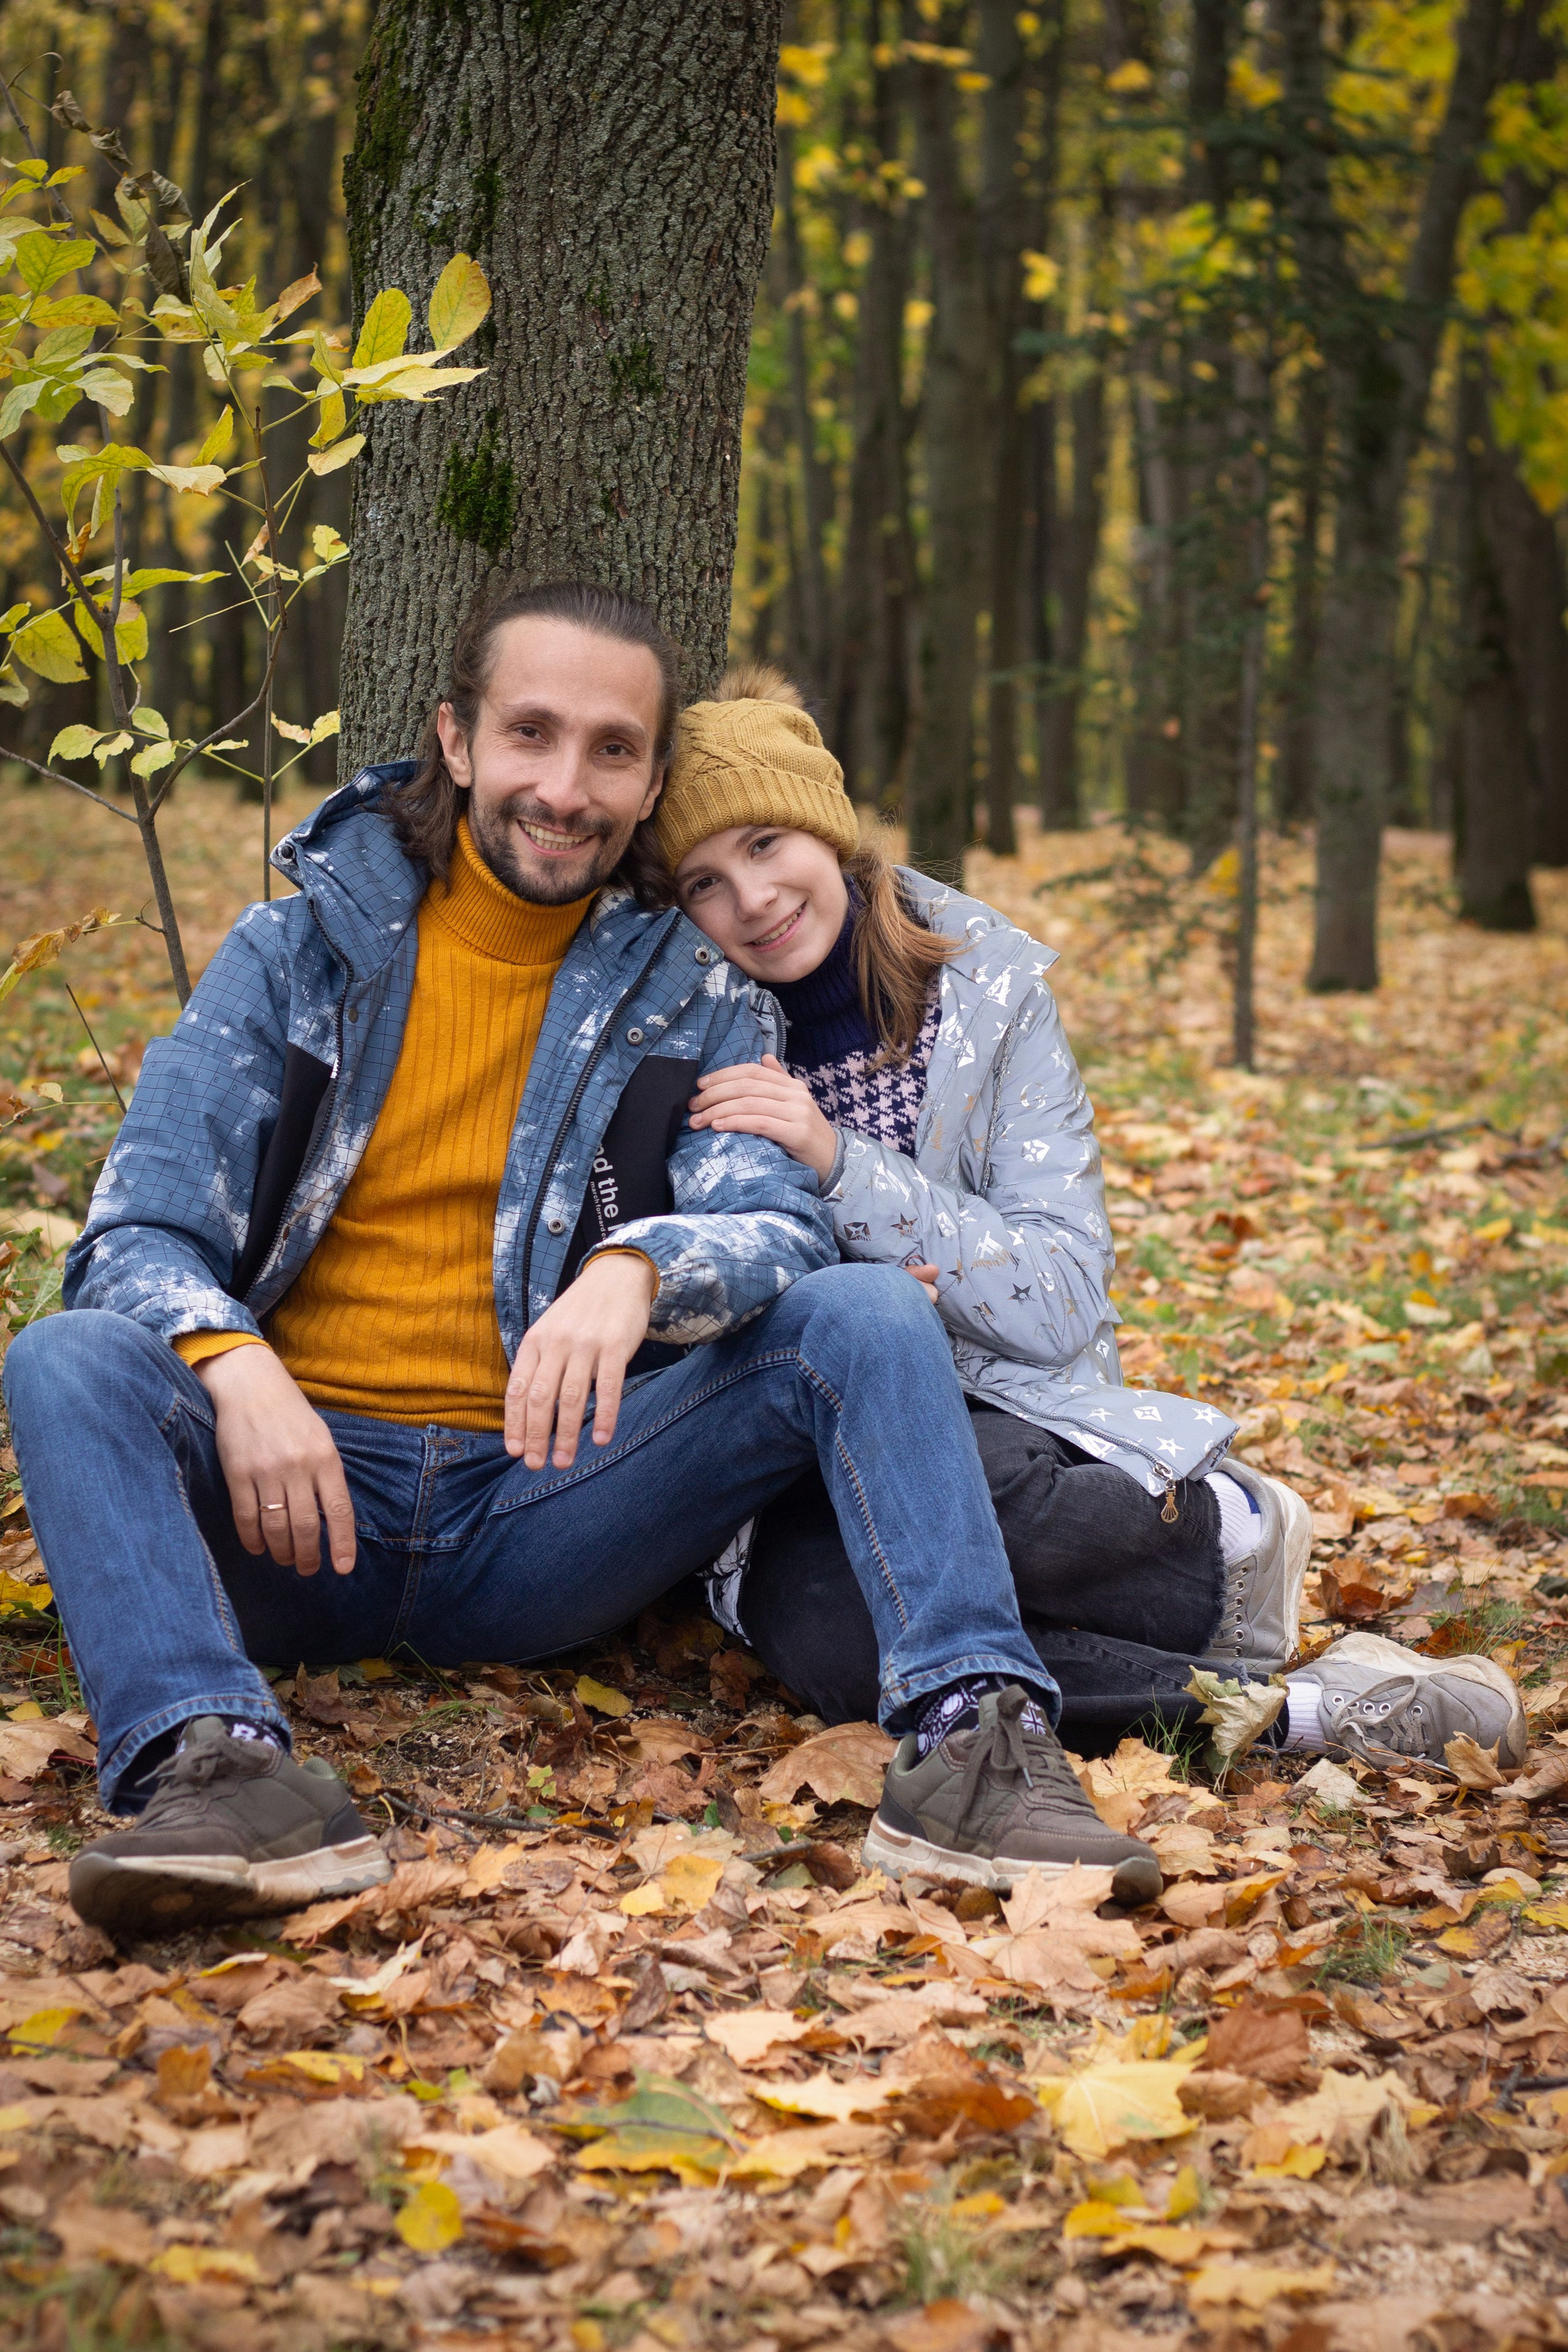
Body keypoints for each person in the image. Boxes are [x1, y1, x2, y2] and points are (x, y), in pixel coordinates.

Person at [3, 580, 1175, 1940]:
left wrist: (634, 1271)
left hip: (546, 1505)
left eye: (611, 751)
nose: (564, 788)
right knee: (67, 1358)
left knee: (854, 1311)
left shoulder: (687, 984)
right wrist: (234, 1365)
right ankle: (211, 1770)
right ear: (455, 740)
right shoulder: (292, 954)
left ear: (648, 779)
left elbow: (771, 1224)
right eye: (531, 736)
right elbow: (132, 1235)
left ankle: (972, 1740)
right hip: (293, 1506)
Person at [651, 666, 1528, 1777]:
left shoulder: (992, 997)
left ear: (831, 832)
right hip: (790, 1460)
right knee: (834, 1638)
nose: (754, 899)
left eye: (768, 844)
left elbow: (1061, 1295)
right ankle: (1301, 1715)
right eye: (703, 884)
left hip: (1007, 1410)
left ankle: (1219, 1547)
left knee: (978, 1496)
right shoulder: (694, 1035)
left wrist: (838, 1166)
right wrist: (845, 1306)